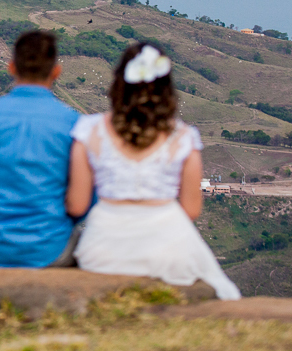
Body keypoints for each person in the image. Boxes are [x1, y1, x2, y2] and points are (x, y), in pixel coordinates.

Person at [66, 43, 241, 299]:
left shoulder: (88, 130)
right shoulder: (184, 137)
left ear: (119, 83)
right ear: (165, 88)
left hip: (104, 248)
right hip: (168, 248)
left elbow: (77, 205)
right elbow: (191, 209)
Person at [0, 30, 84, 267]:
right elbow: (80, 203)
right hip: (51, 249)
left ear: (11, 68)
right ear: (56, 71)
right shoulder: (72, 122)